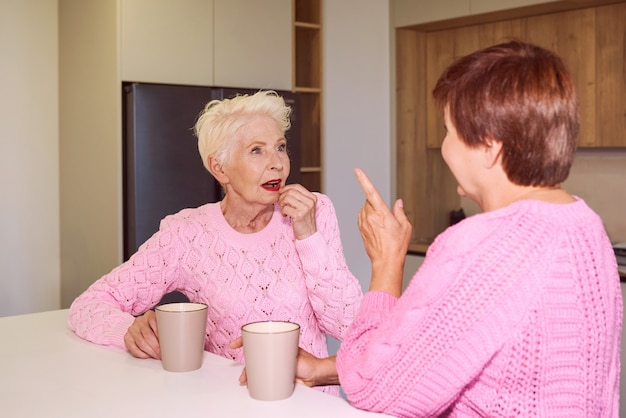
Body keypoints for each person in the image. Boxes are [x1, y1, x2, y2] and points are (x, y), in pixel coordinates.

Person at [290, 40, 622, 416]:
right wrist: (321, 370)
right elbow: (444, 356)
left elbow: (373, 388)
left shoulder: (485, 246)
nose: (445, 147)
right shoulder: (584, 224)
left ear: (489, 148)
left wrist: (385, 264)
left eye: (449, 130)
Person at [67, 90, 362, 396]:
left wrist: (307, 234)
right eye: (257, 151)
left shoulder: (315, 211)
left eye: (281, 147)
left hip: (313, 407)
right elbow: (89, 305)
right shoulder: (187, 234)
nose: (277, 164)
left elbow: (349, 325)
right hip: (226, 404)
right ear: (219, 168)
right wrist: (130, 331)